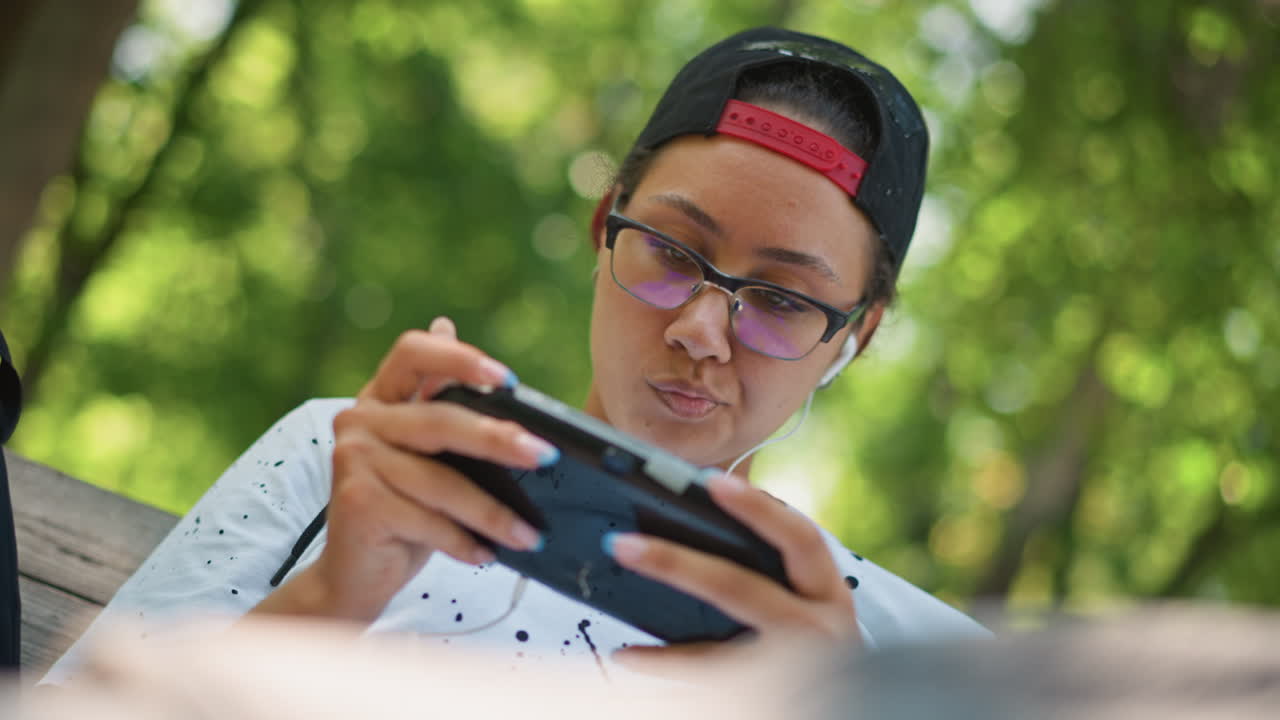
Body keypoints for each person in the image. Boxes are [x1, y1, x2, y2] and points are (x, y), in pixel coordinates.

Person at [42, 27, 986, 685]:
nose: (701, 329)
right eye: (668, 249)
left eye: (780, 299)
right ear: (601, 227)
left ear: (853, 337)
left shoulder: (919, 664)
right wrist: (331, 598)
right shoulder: (354, 457)